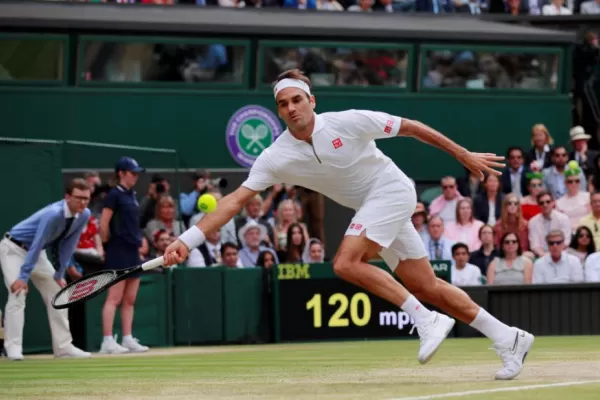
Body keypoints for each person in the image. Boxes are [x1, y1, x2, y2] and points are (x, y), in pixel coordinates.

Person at [163, 69, 534, 380]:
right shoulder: (274, 156)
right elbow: (233, 201)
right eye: (283, 104)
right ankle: (509, 338)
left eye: (297, 100)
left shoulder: (348, 122)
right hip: (371, 209)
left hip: (392, 190)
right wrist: (187, 239)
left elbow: (411, 127)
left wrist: (462, 153)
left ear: (312, 101)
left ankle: (424, 320)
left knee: (344, 263)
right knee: (426, 284)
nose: (291, 108)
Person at [0, 178, 93, 360]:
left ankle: (64, 348)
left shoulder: (84, 214)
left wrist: (59, 273)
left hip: (37, 254)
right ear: (67, 197)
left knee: (59, 292)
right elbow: (38, 243)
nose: (82, 202)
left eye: (86, 198)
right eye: (78, 198)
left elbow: (69, 244)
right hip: (13, 249)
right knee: (18, 293)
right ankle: (13, 348)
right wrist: (23, 277)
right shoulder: (53, 214)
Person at [98, 157, 149, 354]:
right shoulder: (113, 195)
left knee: (130, 299)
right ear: (121, 173)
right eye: (132, 172)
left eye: (137, 173)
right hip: (118, 251)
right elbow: (104, 224)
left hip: (132, 252)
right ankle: (107, 341)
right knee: (114, 298)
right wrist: (109, 244)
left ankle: (127, 338)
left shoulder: (132, 195)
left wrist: (138, 241)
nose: (135, 176)